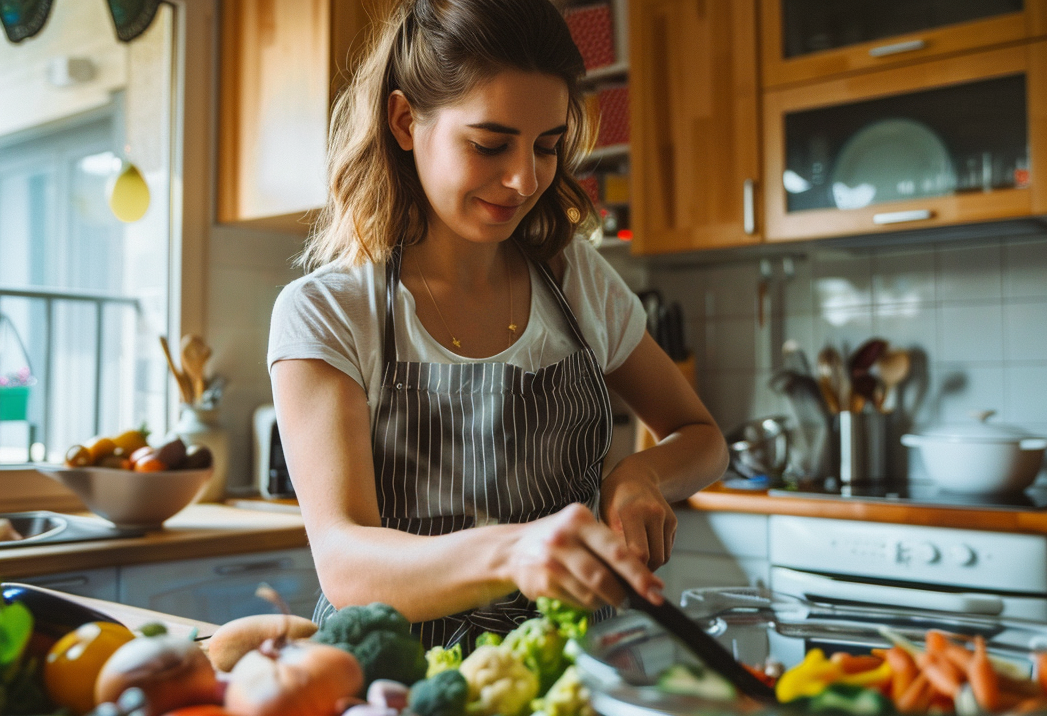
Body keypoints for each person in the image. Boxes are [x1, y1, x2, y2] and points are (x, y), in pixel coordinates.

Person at [267, 0, 728, 649]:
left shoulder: (577, 279)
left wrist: (641, 475)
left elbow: (702, 437)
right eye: (489, 145)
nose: (524, 179)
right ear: (405, 121)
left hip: (575, 674)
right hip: (396, 682)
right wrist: (515, 553)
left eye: (548, 146)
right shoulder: (330, 312)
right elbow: (347, 566)